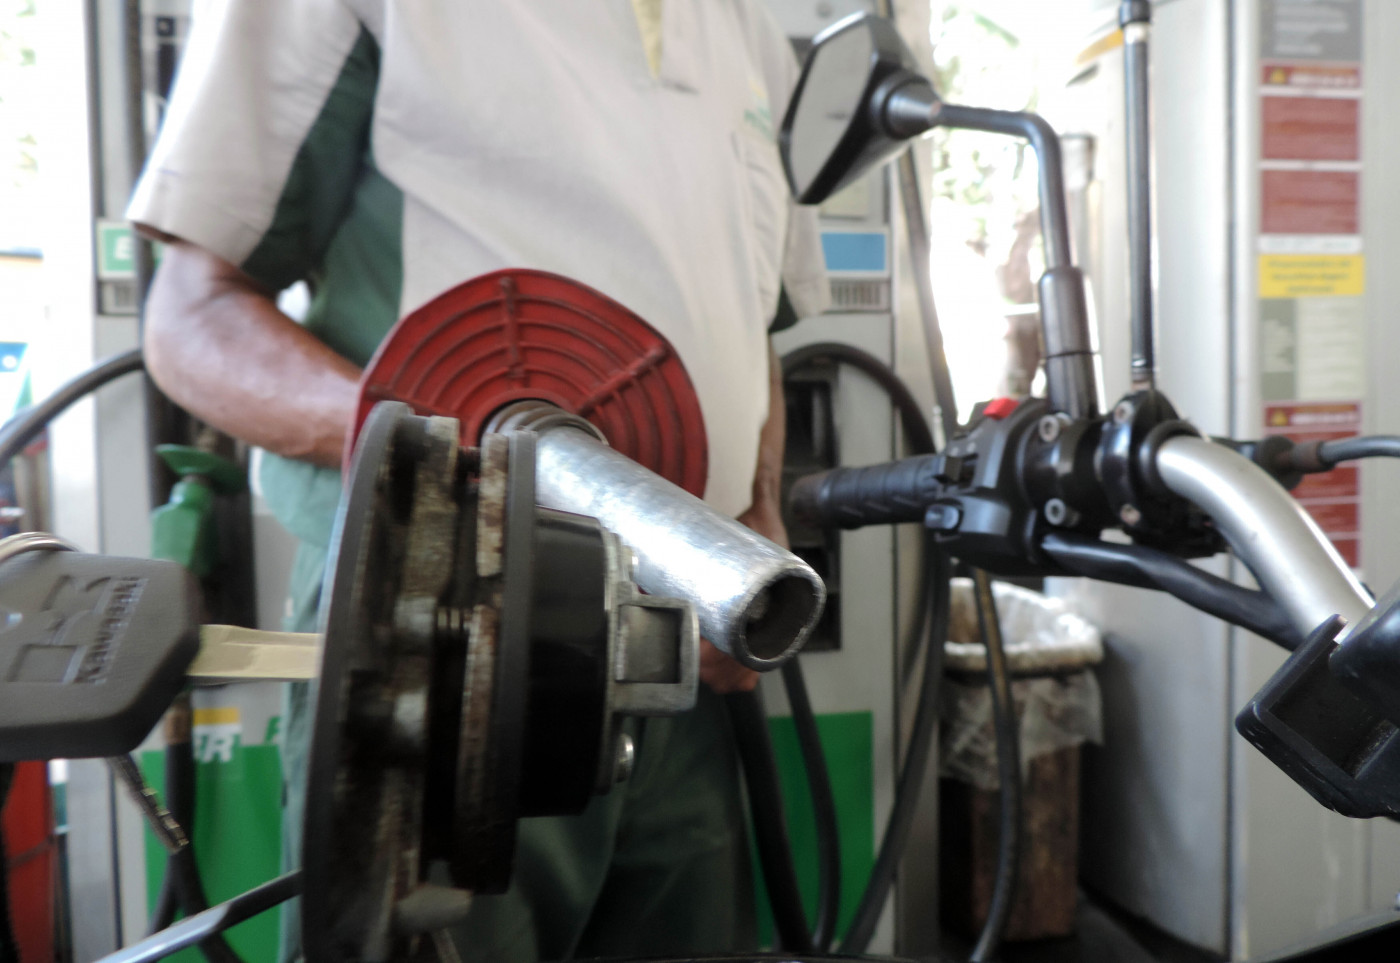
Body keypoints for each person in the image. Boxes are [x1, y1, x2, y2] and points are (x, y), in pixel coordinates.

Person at [129, 2, 828, 960]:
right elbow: (191, 313)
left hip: (685, 640)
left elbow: (754, 324)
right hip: (447, 635)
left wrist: (756, 522)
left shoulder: (741, 23)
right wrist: (461, 440)